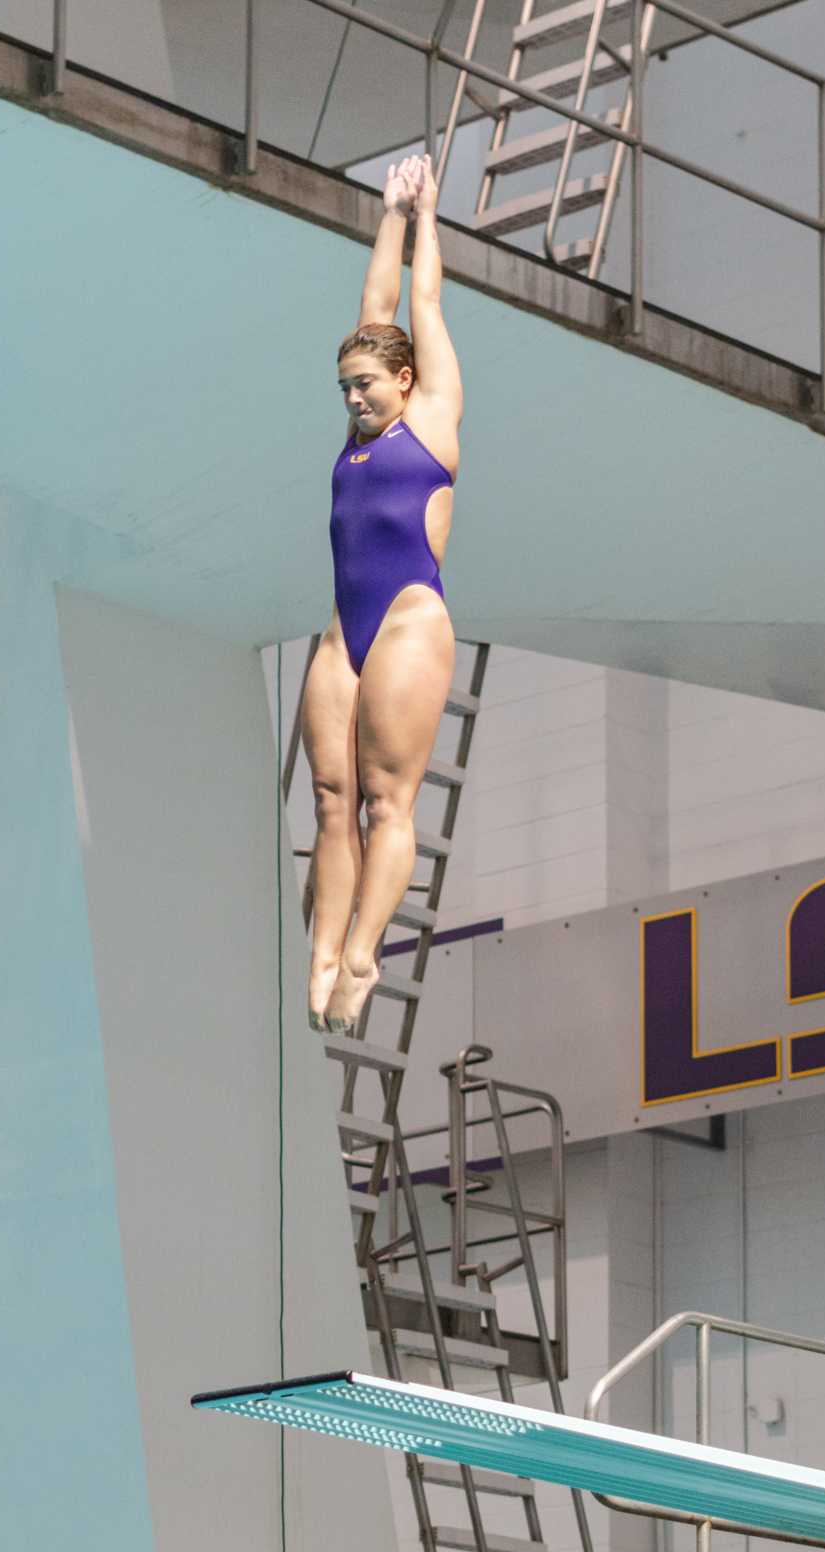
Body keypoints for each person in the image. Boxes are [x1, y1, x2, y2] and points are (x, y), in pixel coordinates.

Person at [303, 150, 463, 1035]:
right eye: (344, 388)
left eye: (364, 384)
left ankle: (365, 949)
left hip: (408, 618)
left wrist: (428, 216)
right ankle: (324, 950)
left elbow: (418, 306)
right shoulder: (361, 424)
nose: (353, 397)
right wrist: (387, 212)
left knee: (382, 800)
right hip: (345, 631)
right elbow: (376, 309)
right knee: (330, 798)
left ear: (403, 382)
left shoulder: (431, 420)